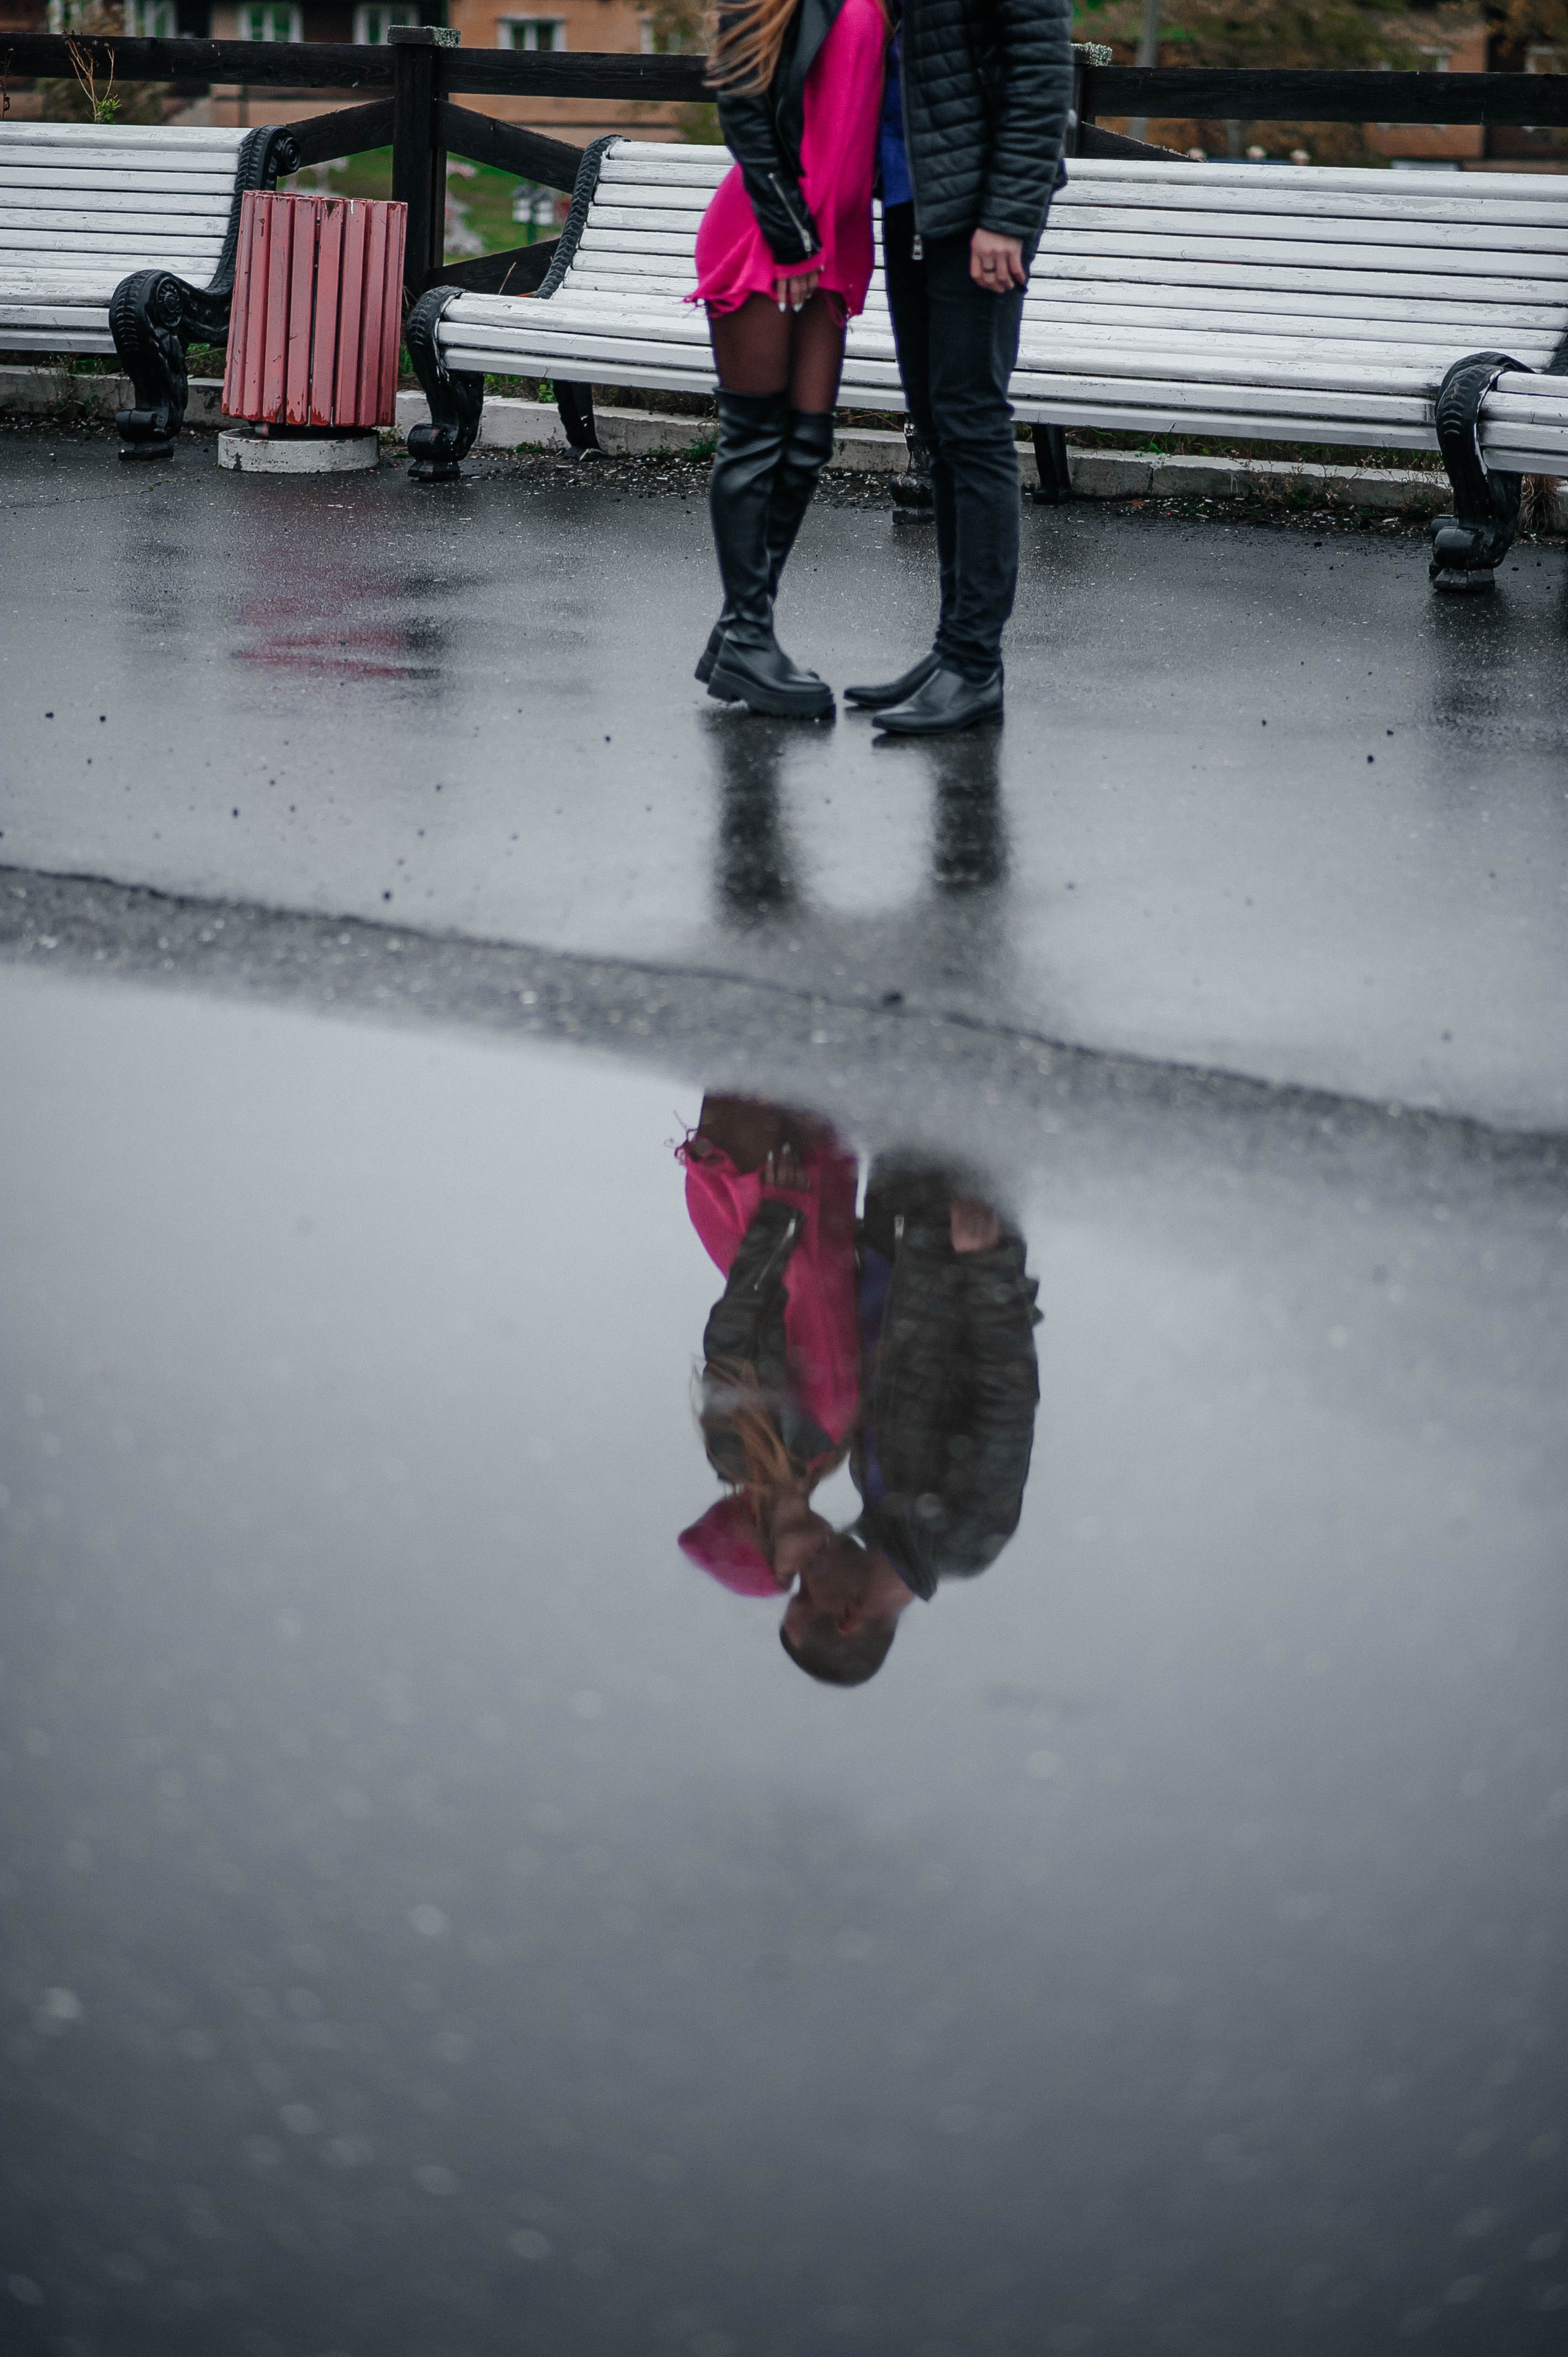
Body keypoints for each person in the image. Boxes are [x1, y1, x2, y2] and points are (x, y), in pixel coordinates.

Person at [845, 0, 1074, 735]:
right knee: (939, 427)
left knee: (972, 426)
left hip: (979, 209)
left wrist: (1008, 216)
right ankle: (952, 651)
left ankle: (974, 666)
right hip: (914, 200)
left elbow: (1039, 81)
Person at [692, 0, 889, 719]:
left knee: (805, 445)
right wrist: (790, 235)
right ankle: (748, 636)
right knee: (755, 438)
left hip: (834, 238)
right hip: (768, 233)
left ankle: (737, 632)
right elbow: (743, 112)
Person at [781, 1155, 1041, 1684]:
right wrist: (985, 1265)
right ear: (850, 1614)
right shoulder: (961, 1542)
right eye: (806, 1596)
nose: (801, 1577)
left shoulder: (873, 1504)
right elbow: (1006, 1402)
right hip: (956, 1237)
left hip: (898, 1228)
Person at [676, 1097, 862, 1593]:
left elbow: (736, 1326)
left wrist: (780, 1217)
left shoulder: (741, 1450)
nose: (810, 1571)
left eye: (791, 1572)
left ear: (755, 1543)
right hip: (813, 1196)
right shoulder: (824, 1458)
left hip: (758, 1203)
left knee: (753, 1044)